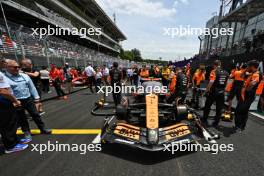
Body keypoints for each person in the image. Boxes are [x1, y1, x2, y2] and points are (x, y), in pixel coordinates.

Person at [4, 60, 52, 140]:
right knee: (21, 118)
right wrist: (13, 101)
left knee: (35, 114)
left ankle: (42, 128)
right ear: (7, 67)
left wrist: (37, 98)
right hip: (16, 101)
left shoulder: (24, 76)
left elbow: (31, 87)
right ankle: (27, 132)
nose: (17, 68)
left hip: (28, 98)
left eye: (18, 67)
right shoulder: (4, 78)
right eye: (15, 67)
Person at [0, 71, 29, 153]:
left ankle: (14, 141)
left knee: (11, 122)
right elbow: (2, 90)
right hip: (3, 101)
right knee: (7, 123)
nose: (3, 61)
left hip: (5, 100)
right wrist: (15, 100)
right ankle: (11, 146)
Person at [235, 60, 261, 132]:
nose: (247, 67)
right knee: (244, 111)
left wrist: (246, 89)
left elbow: (252, 84)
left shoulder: (256, 74)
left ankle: (239, 126)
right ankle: (241, 126)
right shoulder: (251, 73)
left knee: (239, 110)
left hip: (249, 95)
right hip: (246, 95)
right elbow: (241, 76)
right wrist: (246, 69)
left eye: (249, 65)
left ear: (252, 66)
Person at [203, 60, 229, 127]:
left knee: (207, 106)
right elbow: (226, 83)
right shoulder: (226, 73)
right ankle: (216, 123)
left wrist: (206, 91)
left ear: (214, 65)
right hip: (222, 92)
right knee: (219, 108)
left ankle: (204, 120)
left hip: (214, 92)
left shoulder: (213, 71)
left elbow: (211, 82)